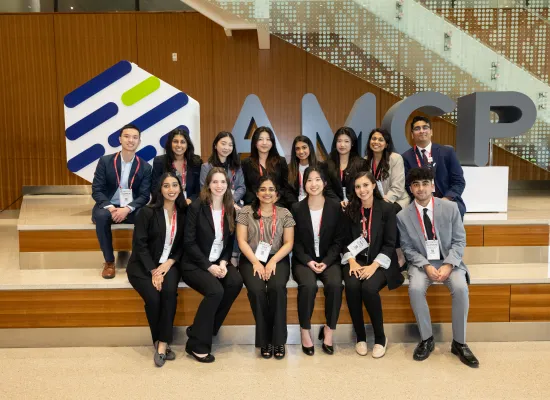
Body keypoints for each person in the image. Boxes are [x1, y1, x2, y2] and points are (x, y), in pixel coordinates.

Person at [397, 167, 479, 368]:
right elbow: (407, 248)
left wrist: (449, 264)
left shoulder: (450, 208)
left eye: (425, 183)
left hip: (449, 260)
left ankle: (459, 343)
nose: (421, 188)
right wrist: (425, 266)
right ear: (411, 188)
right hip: (421, 262)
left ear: (433, 186)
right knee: (415, 288)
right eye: (416, 184)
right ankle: (427, 339)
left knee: (461, 288)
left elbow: (459, 241)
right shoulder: (403, 216)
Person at [180, 168, 243, 363]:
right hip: (195, 263)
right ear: (208, 184)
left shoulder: (230, 207)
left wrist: (224, 262)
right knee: (216, 291)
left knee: (235, 282)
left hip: (218, 260)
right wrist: (209, 266)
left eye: (223, 182)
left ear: (228, 185)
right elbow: (189, 243)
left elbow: (229, 240)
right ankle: (196, 345)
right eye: (215, 182)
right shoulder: (197, 206)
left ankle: (202, 328)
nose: (219, 186)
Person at [126, 172, 186, 367]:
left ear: (180, 188)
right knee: (153, 297)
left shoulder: (184, 213)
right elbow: (140, 245)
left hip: (170, 265)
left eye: (175, 185)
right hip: (143, 265)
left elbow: (184, 244)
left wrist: (169, 263)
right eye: (166, 186)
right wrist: (154, 270)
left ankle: (162, 343)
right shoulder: (147, 212)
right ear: (160, 189)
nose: (171, 190)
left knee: (169, 292)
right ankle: (158, 338)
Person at [342, 171, 404, 358]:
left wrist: (374, 266)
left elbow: (390, 243)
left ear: (374, 185)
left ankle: (380, 338)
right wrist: (352, 261)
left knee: (368, 288)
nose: (362, 190)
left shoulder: (387, 209)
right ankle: (360, 337)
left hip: (381, 260)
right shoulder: (349, 209)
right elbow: (343, 240)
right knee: (352, 286)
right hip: (356, 260)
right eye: (358, 187)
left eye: (366, 185)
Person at [237, 176, 295, 359]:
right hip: (251, 257)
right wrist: (255, 262)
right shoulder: (246, 211)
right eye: (263, 189)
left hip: (277, 258)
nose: (267, 193)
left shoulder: (285, 213)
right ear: (257, 192)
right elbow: (241, 240)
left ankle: (278, 341)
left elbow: (289, 243)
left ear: (277, 195)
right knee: (257, 290)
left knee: (277, 288)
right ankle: (265, 341)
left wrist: (272, 262)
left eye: (271, 190)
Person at [291, 167, 344, 356]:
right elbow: (294, 242)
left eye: (317, 180)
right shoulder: (297, 208)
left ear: (325, 183)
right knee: (308, 285)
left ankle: (329, 330)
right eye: (309, 180)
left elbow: (339, 240)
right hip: (303, 260)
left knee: (336, 285)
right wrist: (308, 261)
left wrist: (328, 261)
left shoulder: (335, 206)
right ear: (304, 184)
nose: (313, 184)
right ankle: (305, 331)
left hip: (329, 259)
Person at [92, 123, 152, 279]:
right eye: (126, 136)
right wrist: (112, 208)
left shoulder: (145, 167)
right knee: (101, 216)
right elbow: (97, 190)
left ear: (139, 141)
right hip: (108, 205)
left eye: (134, 137)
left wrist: (127, 209)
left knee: (145, 215)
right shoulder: (105, 161)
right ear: (120, 139)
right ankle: (109, 262)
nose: (130, 140)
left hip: (130, 207)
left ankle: (136, 260)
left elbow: (144, 195)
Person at [401, 116, 466, 217]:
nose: (422, 131)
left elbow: (459, 181)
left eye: (425, 127)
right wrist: (424, 200)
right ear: (412, 135)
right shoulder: (406, 157)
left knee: (451, 211)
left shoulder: (447, 152)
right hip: (420, 200)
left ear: (431, 132)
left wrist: (445, 199)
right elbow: (407, 185)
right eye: (417, 129)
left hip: (446, 199)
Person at [241, 126, 294, 209]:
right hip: (254, 204)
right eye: (260, 139)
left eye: (268, 139)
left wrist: (276, 197)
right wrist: (259, 200)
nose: (264, 143)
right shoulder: (246, 163)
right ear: (255, 142)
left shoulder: (281, 161)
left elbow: (285, 186)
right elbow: (245, 187)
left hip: (277, 203)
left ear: (272, 142)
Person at [151, 128, 202, 205]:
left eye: (182, 142)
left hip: (190, 206)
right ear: (170, 144)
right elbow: (155, 188)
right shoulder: (160, 161)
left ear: (187, 145)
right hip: (167, 205)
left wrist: (189, 200)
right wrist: (170, 201)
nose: (179, 145)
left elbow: (199, 190)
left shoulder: (196, 162)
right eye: (175, 141)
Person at [364, 128, 409, 212]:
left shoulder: (395, 158)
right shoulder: (365, 160)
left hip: (396, 200)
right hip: (376, 202)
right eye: (373, 139)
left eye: (381, 140)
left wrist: (385, 201)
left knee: (384, 213)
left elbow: (398, 187)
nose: (376, 142)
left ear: (386, 145)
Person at [200, 131, 245, 210]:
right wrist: (223, 203)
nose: (227, 148)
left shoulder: (237, 166)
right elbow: (204, 189)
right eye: (223, 144)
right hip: (213, 207)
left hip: (234, 206)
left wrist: (231, 201)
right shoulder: (206, 167)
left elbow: (241, 187)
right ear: (215, 145)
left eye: (230, 145)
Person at [325, 127, 368, 209]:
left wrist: (351, 201)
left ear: (352, 143)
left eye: (346, 141)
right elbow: (327, 188)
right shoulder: (327, 164)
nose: (342, 145)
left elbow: (363, 185)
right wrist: (338, 202)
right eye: (339, 141)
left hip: (356, 206)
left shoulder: (361, 164)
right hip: (333, 206)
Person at [287, 136, 337, 203]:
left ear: (310, 148)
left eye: (304, 147)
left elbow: (327, 188)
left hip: (317, 203)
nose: (301, 151)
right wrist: (296, 206)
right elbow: (287, 191)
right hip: (296, 205)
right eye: (297, 149)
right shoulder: (289, 168)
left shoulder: (321, 166)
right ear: (294, 151)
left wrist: (338, 202)